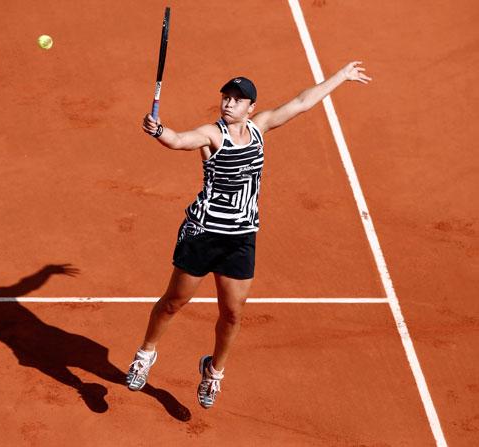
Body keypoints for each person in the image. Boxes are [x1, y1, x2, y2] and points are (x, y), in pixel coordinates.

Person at [126, 61, 372, 409]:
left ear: (251, 108)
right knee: (173, 303)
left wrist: (341, 77)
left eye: (238, 99)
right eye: (226, 97)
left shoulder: (260, 127)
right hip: (203, 234)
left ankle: (213, 373)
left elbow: (302, 102)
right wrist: (158, 130)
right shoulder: (212, 135)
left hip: (240, 238)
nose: (229, 103)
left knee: (232, 314)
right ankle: (145, 354)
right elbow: (179, 140)